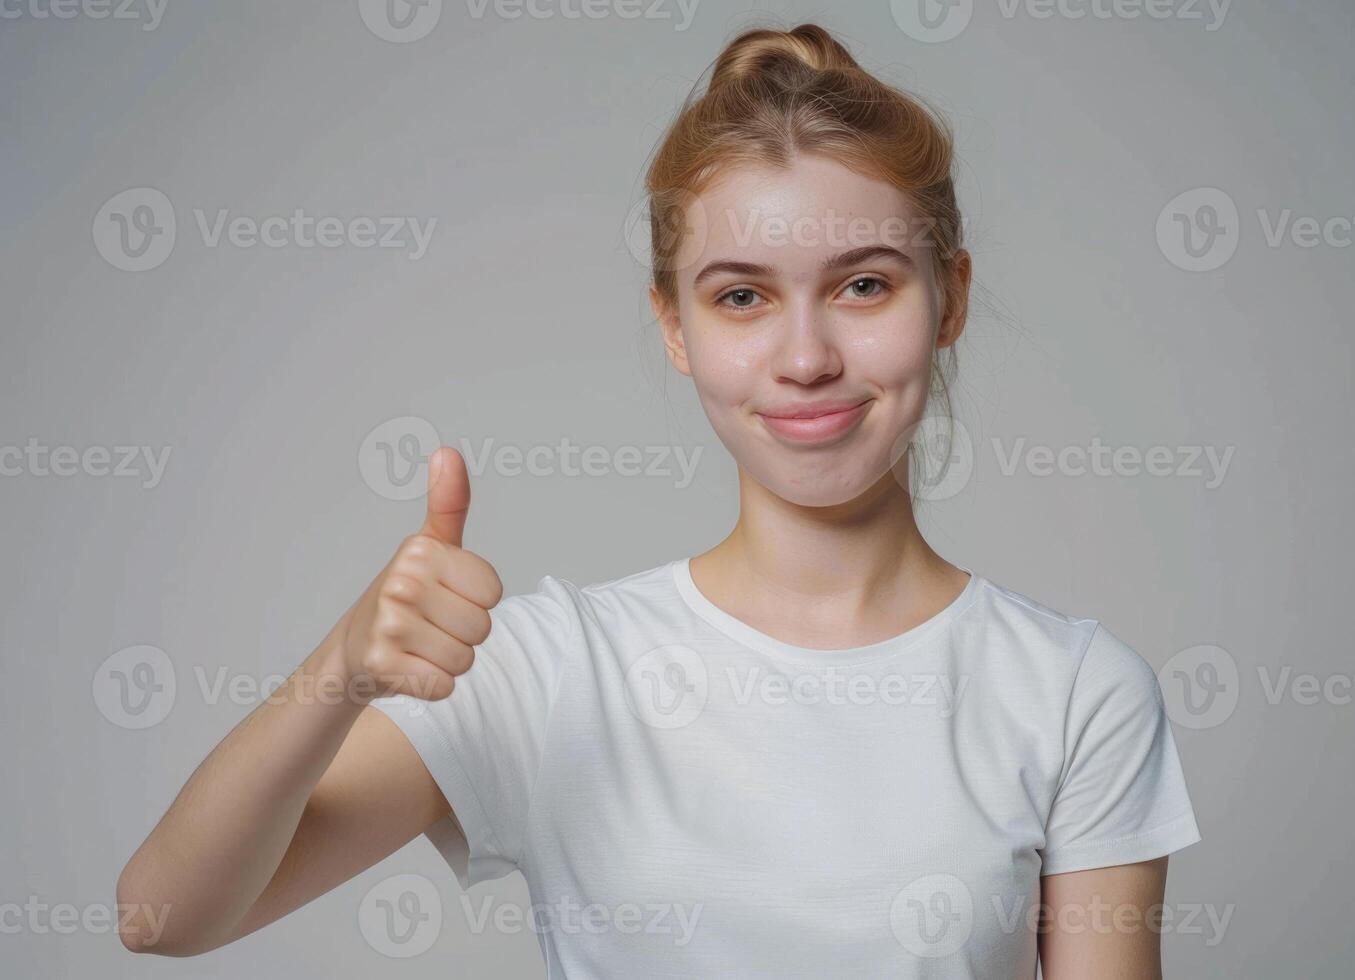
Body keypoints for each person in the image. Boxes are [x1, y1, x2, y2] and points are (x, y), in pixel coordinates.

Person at [117, 22, 1201, 978]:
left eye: (864, 284)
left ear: (949, 297)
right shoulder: (552, 668)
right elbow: (162, 914)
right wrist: (344, 666)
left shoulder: (1074, 694)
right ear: (675, 325)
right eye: (742, 297)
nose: (807, 356)